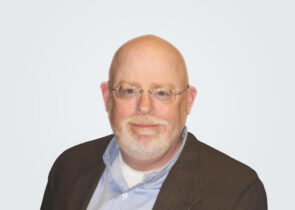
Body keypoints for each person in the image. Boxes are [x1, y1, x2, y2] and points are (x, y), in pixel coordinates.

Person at [41, 35, 267, 210]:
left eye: (162, 93)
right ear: (108, 98)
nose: (145, 107)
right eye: (129, 90)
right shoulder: (67, 168)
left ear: (188, 101)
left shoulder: (237, 192)